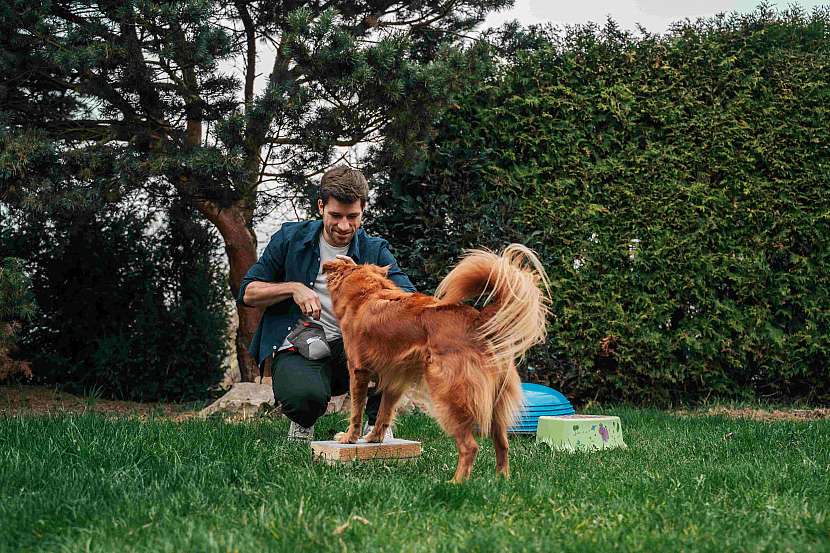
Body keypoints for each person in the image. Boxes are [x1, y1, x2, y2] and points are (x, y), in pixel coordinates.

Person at [237, 166, 416, 441]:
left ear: (363, 211)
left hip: (355, 347)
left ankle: (377, 424)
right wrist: (293, 288)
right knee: (303, 397)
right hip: (301, 345)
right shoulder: (289, 238)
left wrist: (364, 278)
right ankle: (303, 419)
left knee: (392, 345)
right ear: (321, 207)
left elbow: (410, 299)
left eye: (352, 217)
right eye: (336, 215)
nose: (344, 226)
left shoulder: (374, 249)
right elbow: (248, 292)